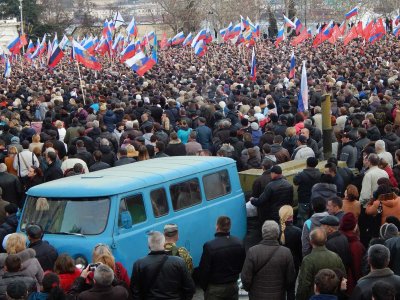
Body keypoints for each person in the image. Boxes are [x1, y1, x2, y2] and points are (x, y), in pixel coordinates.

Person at [130, 231, 195, 299]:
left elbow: (135, 291)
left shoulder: (139, 264)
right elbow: (190, 288)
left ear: (149, 246)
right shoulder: (178, 262)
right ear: (164, 244)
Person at [241, 220, 296, 300]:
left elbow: (246, 278)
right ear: (277, 233)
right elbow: (290, 278)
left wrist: (250, 289)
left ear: (263, 233)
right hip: (278, 296)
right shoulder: (286, 252)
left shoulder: (253, 251)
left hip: (256, 296)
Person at [199, 216, 245, 299]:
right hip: (232, 286)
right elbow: (242, 265)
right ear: (229, 227)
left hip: (215, 288)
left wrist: (205, 287)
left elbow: (204, 270)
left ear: (217, 227)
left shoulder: (209, 246)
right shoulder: (239, 243)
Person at [296, 228, 346, 300]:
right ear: (326, 240)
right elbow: (343, 276)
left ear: (311, 241)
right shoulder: (336, 257)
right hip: (333, 296)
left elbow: (303, 285)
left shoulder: (308, 260)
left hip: (314, 297)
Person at [339, 212, 366, 294]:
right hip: (352, 284)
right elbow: (358, 267)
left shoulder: (336, 238)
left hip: (337, 282)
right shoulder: (356, 245)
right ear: (354, 226)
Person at [293, 157, 322, 227]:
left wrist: (297, 175)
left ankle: (303, 233)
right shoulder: (320, 174)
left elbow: (295, 181)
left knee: (302, 219)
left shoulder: (301, 175)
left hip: (304, 200)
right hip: (315, 200)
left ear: (307, 164)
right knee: (313, 219)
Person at [279, 205, 302, 274]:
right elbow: (299, 249)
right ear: (291, 216)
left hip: (278, 261)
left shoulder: (275, 229)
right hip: (293, 262)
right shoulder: (297, 231)